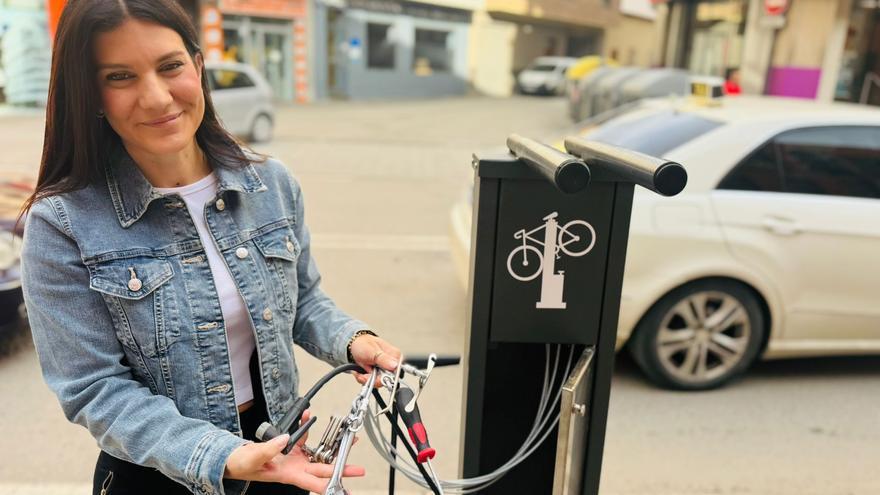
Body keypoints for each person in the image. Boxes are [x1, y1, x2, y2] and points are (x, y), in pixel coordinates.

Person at [19, 1, 402, 494]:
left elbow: (303, 299)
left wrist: (352, 340)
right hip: (157, 474)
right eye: (120, 77)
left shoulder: (269, 182)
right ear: (91, 94)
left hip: (283, 453)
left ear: (198, 66)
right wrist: (224, 455)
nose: (157, 98)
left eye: (170, 66)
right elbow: (94, 390)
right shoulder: (62, 223)